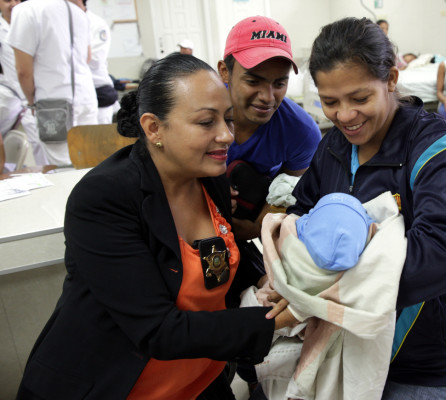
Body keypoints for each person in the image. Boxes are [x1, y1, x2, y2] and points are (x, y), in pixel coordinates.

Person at [16, 53, 297, 400]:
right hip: (117, 383)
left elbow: (216, 257)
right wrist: (279, 319)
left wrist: (261, 279)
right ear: (153, 128)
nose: (226, 135)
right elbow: (158, 330)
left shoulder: (210, 180)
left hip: (198, 377)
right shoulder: (105, 198)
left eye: (228, 120)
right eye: (206, 123)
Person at [288, 17, 446, 399]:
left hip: (421, 358)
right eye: (330, 102)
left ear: (391, 79)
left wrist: (325, 290)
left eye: (360, 98)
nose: (344, 116)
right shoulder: (334, 147)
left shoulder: (435, 150)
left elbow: (441, 256)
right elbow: (301, 210)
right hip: (343, 337)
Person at [217, 16, 322, 241]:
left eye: (279, 83)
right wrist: (206, 191)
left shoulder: (301, 132)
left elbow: (288, 193)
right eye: (253, 82)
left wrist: (255, 228)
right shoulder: (196, 114)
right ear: (225, 72)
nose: (267, 97)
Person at [7, 0, 98, 166]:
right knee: (89, 164)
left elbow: (23, 71)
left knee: (64, 168)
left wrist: (32, 103)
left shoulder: (26, 10)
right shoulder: (77, 11)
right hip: (86, 99)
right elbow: (87, 57)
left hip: (54, 103)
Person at [0, 0, 48, 166]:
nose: (13, 4)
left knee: (43, 144)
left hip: (36, 95)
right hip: (10, 96)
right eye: (7, 0)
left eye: (17, 0)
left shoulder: (32, 23)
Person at [85, 2, 120, 124]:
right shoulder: (62, 22)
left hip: (98, 90)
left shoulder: (96, 23)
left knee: (100, 139)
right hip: (74, 95)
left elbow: (95, 60)